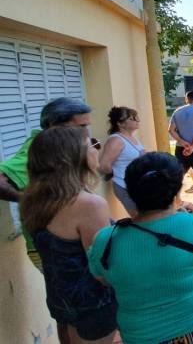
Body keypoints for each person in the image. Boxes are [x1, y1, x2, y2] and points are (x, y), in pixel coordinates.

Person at [88, 152, 193, 343]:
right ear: (177, 190)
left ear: (130, 190)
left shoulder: (105, 240)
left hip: (141, 334)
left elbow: (103, 278)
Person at [22, 126, 116, 344]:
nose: (96, 148)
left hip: (61, 298)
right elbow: (102, 269)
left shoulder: (34, 199)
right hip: (93, 305)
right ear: (74, 157)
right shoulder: (88, 204)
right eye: (90, 144)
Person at [0, 97, 93, 271]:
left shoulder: (62, 148)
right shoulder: (38, 149)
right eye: (81, 127)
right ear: (53, 124)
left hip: (65, 242)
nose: (86, 133)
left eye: (87, 126)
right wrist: (30, 200)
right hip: (52, 246)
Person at [98, 106, 146, 217]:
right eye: (131, 119)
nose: (137, 120)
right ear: (120, 123)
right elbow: (104, 165)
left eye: (136, 117)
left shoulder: (131, 137)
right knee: (141, 218)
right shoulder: (116, 140)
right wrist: (118, 173)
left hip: (137, 185)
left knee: (147, 216)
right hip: (125, 186)